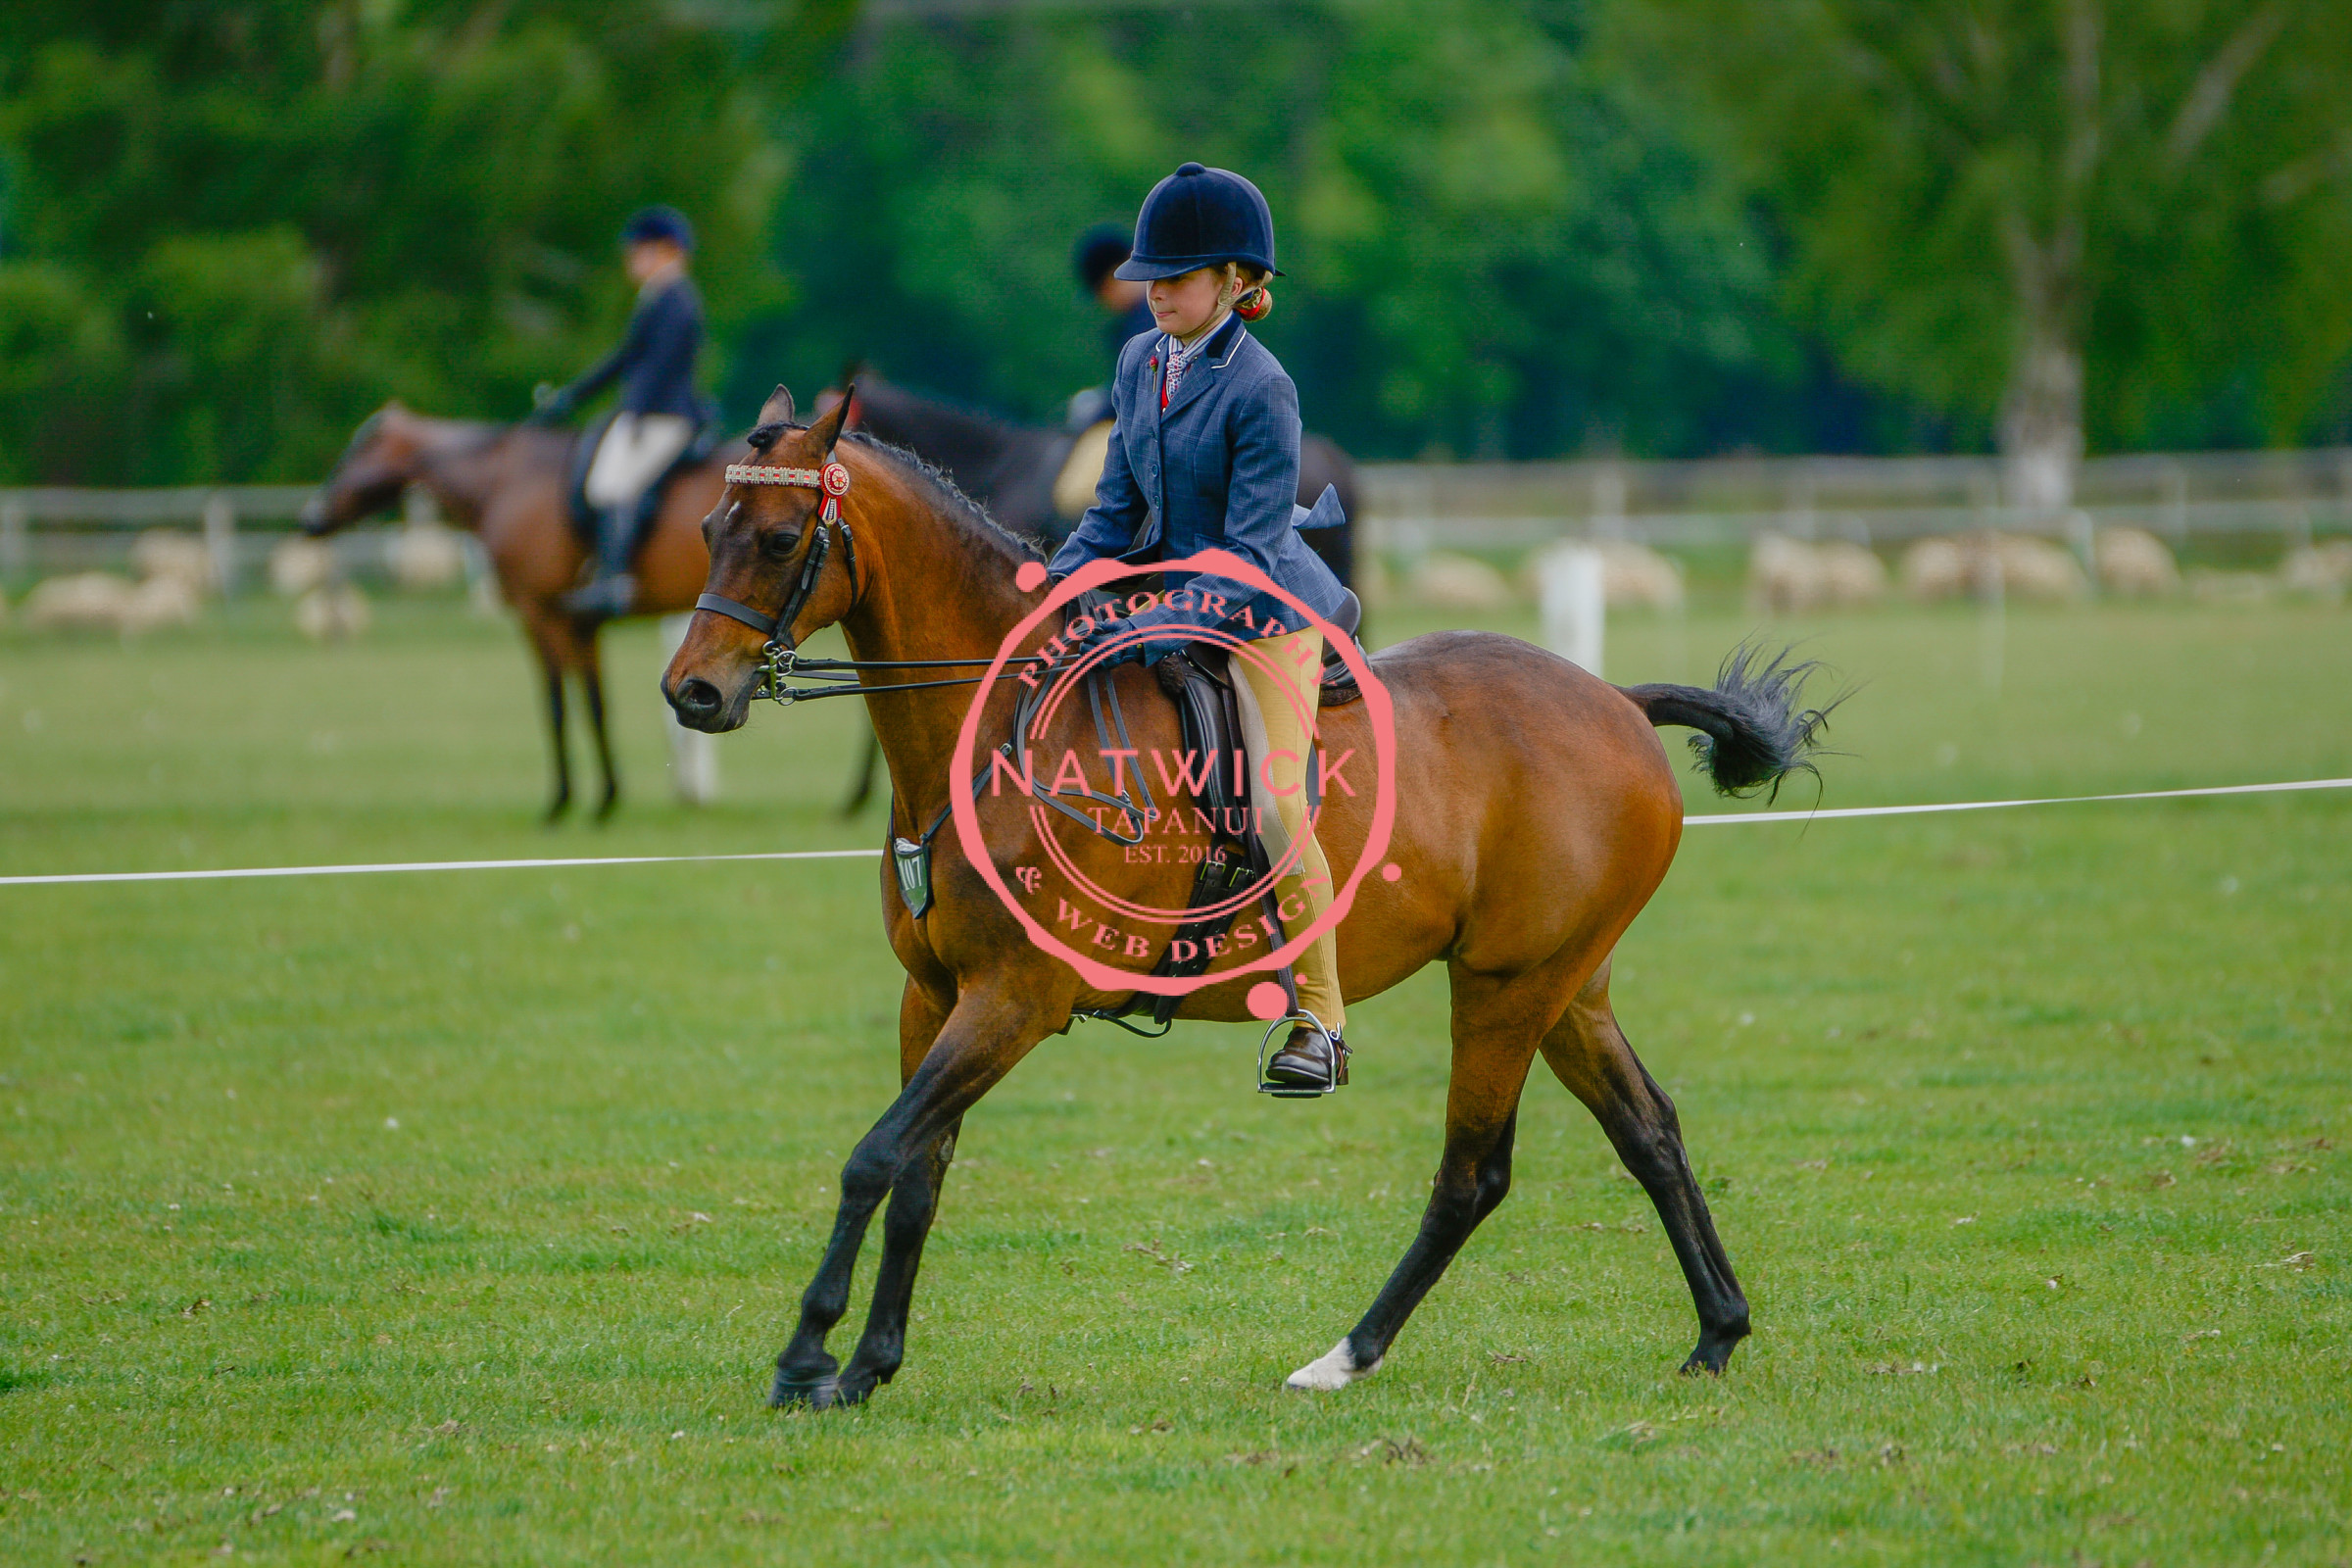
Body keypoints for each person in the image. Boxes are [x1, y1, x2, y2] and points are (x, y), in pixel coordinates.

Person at [1047, 163, 1352, 1092]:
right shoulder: (1139, 361)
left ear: (1233, 280)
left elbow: (1248, 555)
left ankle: (1321, 1022)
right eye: (1151, 277)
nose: (1156, 292)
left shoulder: (1264, 387)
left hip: (1262, 612)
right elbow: (1113, 512)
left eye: (1176, 278)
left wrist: (1150, 626)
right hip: (1163, 594)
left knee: (1275, 803)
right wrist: (1054, 591)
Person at [534, 206, 710, 619]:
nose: (632, 260)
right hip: (650, 413)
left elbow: (659, 368)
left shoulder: (677, 301)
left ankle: (615, 583)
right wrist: (571, 396)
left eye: (640, 251)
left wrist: (633, 415)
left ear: (667, 251)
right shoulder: (656, 298)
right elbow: (624, 359)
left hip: (664, 417)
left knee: (612, 485)